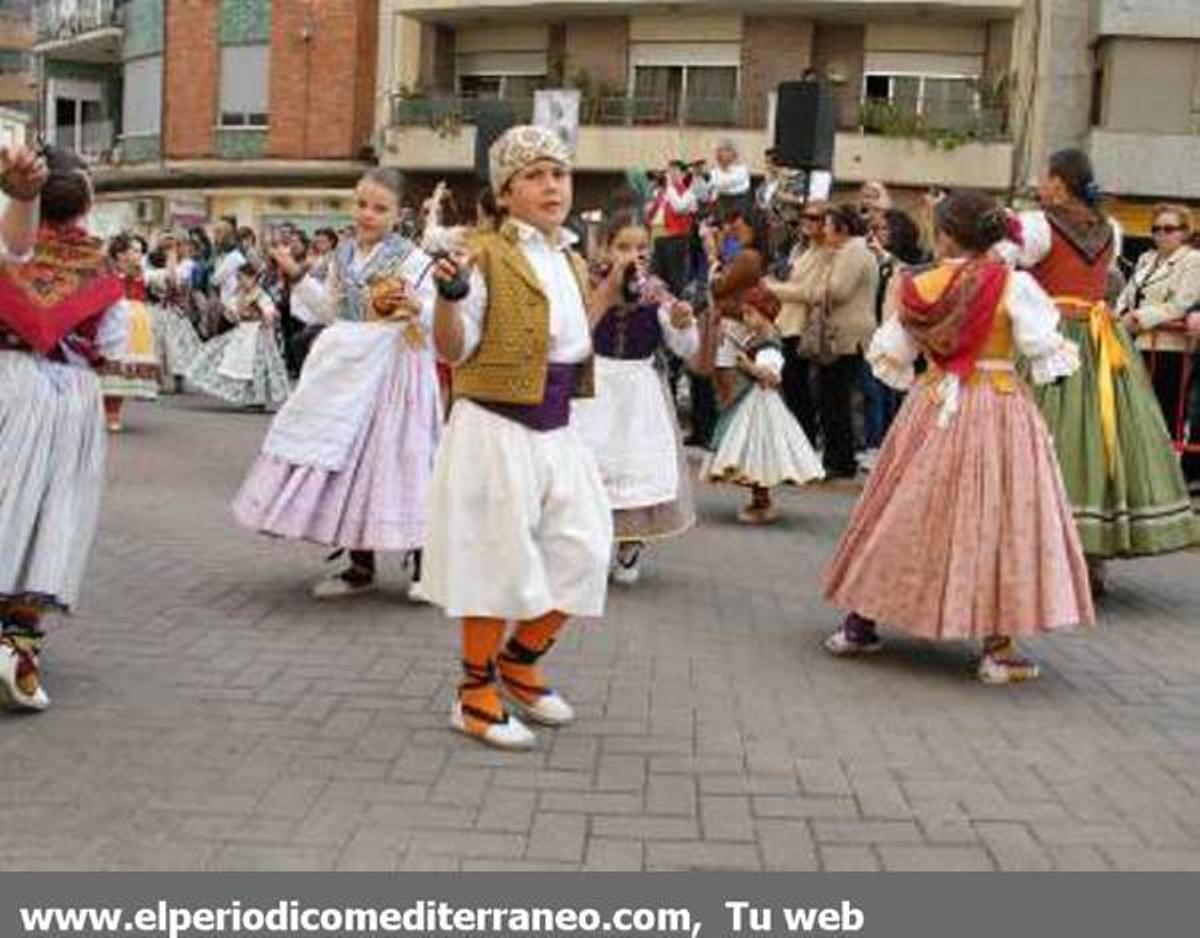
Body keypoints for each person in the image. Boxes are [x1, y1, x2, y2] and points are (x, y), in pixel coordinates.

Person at [824, 190, 1092, 684]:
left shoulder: (920, 283)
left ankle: (860, 621)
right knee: (998, 518)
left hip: (933, 404)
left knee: (904, 508)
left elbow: (895, 356)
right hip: (997, 404)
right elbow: (1045, 353)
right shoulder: (1014, 285)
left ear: (946, 235)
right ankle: (997, 645)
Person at [422, 125, 612, 750]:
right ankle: (473, 695)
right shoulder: (482, 252)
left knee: (586, 546)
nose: (551, 184)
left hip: (556, 421)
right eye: (534, 175)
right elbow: (453, 347)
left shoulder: (573, 256)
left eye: (558, 172)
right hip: (495, 421)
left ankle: (520, 663)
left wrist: (612, 295)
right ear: (506, 194)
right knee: (494, 557)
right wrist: (449, 298)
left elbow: (570, 337)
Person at [233, 168, 440, 602]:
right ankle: (360, 564)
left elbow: (436, 319)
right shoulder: (343, 255)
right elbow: (329, 310)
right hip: (347, 365)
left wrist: (417, 307)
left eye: (379, 208)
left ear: (398, 214)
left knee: (400, 462)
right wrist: (296, 277)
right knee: (349, 465)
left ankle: (427, 566)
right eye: (362, 204)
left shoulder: (414, 259)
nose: (367, 214)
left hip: (395, 371)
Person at [1000, 149, 1196, 591]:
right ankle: (1089, 556)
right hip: (1100, 336)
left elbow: (1003, 266)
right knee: (1104, 441)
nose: (1039, 182)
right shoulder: (1112, 228)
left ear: (1060, 182)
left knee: (1052, 436)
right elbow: (1106, 280)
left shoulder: (1037, 225)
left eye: (1045, 176)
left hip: (1051, 337)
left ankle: (1041, 551)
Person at [0, 145, 130, 711]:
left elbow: (15, 246)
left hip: (5, 380)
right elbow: (112, 347)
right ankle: (18, 646)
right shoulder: (99, 269)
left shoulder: (10, 250)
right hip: (68, 396)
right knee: (50, 513)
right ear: (86, 201)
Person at [572, 209, 699, 585]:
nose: (633, 254)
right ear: (606, 248)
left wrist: (682, 323)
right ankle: (589, 544)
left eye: (641, 247)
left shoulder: (656, 292)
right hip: (596, 386)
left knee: (635, 465)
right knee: (592, 464)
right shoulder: (588, 286)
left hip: (638, 391)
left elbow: (684, 347)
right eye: (623, 246)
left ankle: (630, 544)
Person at [703, 285, 824, 523]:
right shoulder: (758, 337)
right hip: (751, 398)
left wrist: (747, 366)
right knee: (754, 451)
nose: (745, 319)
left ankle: (762, 502)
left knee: (760, 450)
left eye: (750, 313)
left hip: (762, 401)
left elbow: (772, 376)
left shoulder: (769, 341)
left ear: (765, 313)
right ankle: (759, 499)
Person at [1114, 203, 1200, 490]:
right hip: (1136, 344)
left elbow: (1180, 304)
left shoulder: (1193, 261)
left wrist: (1140, 318)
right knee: (1134, 412)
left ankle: (1160, 482)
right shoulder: (1145, 258)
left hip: (1168, 349)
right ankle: (1137, 476)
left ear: (1184, 232)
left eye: (1169, 229)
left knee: (1162, 415)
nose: (1161, 235)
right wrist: (1117, 316)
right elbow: (1128, 293)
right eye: (1156, 229)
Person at [809, 205, 879, 478]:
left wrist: (815, 287)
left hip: (847, 335)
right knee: (832, 397)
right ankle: (838, 456)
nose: (824, 231)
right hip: (845, 333)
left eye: (827, 225)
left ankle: (840, 460)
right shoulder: (850, 251)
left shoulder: (853, 252)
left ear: (843, 228)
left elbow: (838, 290)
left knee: (835, 398)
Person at [859, 208, 928, 466]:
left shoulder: (908, 263)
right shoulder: (875, 261)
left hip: (904, 338)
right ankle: (877, 443)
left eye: (881, 229)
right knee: (875, 391)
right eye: (872, 229)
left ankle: (887, 445)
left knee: (894, 394)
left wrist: (885, 258)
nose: (874, 235)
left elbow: (910, 276)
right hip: (877, 334)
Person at [764, 200, 830, 444]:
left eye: (815, 218)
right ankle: (798, 439)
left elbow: (808, 290)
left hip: (802, 325)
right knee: (791, 386)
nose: (807, 222)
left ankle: (806, 439)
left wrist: (774, 288)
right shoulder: (803, 249)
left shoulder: (825, 252)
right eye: (805, 217)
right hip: (787, 321)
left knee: (799, 387)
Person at [186, 261, 289, 409]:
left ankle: (258, 399)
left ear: (253, 278)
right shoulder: (240, 294)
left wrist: (267, 316)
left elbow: (269, 310)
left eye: (243, 278)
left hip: (257, 333)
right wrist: (232, 314)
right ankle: (247, 397)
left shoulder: (259, 294)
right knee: (235, 362)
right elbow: (232, 312)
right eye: (239, 278)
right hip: (242, 331)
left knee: (256, 366)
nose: (241, 281)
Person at [100, 233, 161, 431]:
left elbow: (165, 276)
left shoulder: (141, 274)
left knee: (124, 370)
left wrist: (171, 256)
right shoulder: (107, 272)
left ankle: (113, 412)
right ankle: (104, 411)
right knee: (109, 366)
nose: (138, 254)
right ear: (120, 254)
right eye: (133, 250)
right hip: (112, 320)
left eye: (139, 251)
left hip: (135, 326)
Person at [145, 231, 202, 392]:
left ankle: (179, 379)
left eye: (174, 246)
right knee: (157, 344)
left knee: (176, 344)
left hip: (175, 310)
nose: (171, 249)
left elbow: (176, 282)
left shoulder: (187, 265)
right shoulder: (152, 266)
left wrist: (172, 261)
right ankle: (158, 379)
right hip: (156, 309)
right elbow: (149, 279)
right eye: (167, 247)